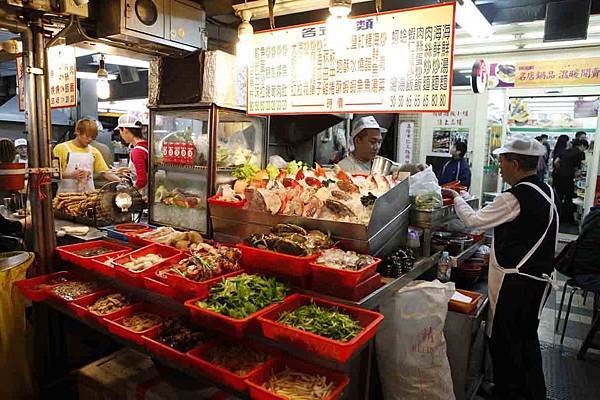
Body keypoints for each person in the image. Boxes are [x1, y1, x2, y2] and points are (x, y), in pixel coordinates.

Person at [442, 134, 559, 400]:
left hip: (517, 283)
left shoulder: (514, 196)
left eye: (502, 161)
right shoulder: (546, 190)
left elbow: (474, 221)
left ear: (515, 164)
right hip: (538, 280)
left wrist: (455, 197)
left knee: (506, 343)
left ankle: (508, 393)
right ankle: (531, 394)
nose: (499, 168)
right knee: (526, 342)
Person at [53, 118, 120, 193]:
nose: (90, 139)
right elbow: (54, 174)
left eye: (92, 137)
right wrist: (71, 175)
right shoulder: (61, 149)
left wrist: (120, 181)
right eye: (87, 136)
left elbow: (105, 173)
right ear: (78, 132)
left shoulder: (94, 152)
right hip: (66, 196)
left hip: (88, 195)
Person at [554, 138, 589, 223]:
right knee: (568, 197)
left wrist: (561, 169)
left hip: (558, 175)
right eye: (585, 148)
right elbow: (580, 169)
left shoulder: (565, 151)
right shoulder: (580, 153)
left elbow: (556, 162)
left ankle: (556, 215)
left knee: (558, 196)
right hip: (568, 177)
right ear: (582, 146)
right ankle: (566, 218)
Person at [116, 114, 149, 195]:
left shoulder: (137, 151)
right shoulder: (146, 145)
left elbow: (141, 181)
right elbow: (146, 168)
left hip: (144, 194)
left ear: (125, 130)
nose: (121, 135)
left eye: (120, 131)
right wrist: (130, 170)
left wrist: (128, 192)